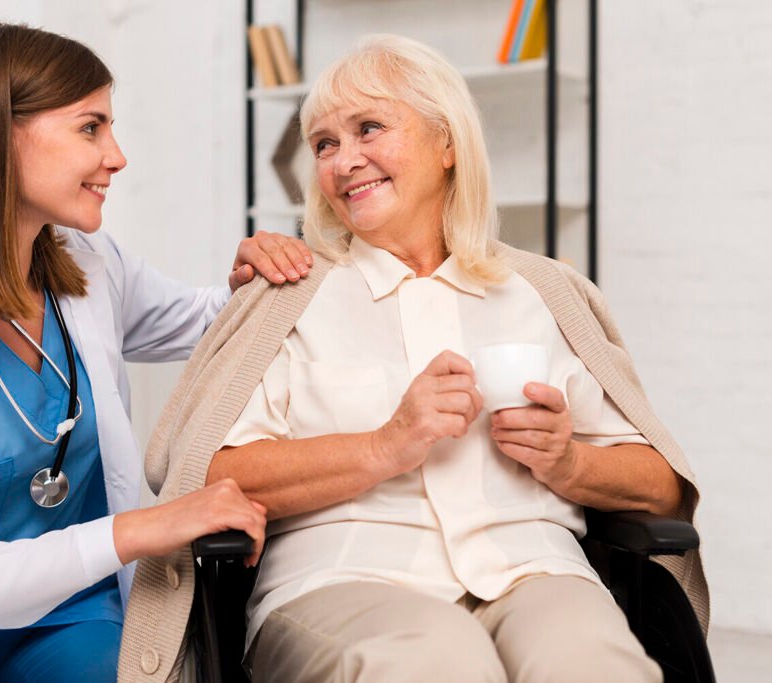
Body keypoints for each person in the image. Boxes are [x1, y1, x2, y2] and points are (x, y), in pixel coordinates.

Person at [120, 35, 709, 682]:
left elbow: (661, 481)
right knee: (434, 663)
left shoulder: (545, 294)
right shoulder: (291, 296)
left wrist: (570, 460)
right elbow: (207, 473)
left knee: (598, 665)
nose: (345, 161)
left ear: (448, 143)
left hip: (534, 569)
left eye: (369, 128)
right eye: (324, 144)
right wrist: (382, 445)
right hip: (340, 575)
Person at [0, 22, 314, 683]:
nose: (118, 156)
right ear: (2, 133)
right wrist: (143, 527)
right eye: (90, 127)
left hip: (79, 616)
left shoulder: (90, 266)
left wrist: (253, 280)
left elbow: (208, 323)